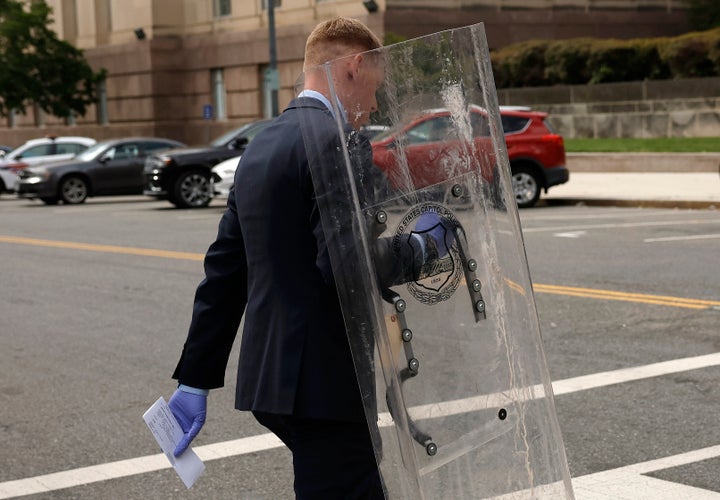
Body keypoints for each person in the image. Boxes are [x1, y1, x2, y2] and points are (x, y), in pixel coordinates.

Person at [168, 17, 388, 499]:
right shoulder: (338, 140)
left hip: (274, 381)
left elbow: (226, 270)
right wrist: (419, 251)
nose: (373, 106)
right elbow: (347, 267)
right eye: (375, 88)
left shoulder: (262, 144)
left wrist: (195, 379)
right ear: (353, 67)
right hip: (323, 381)